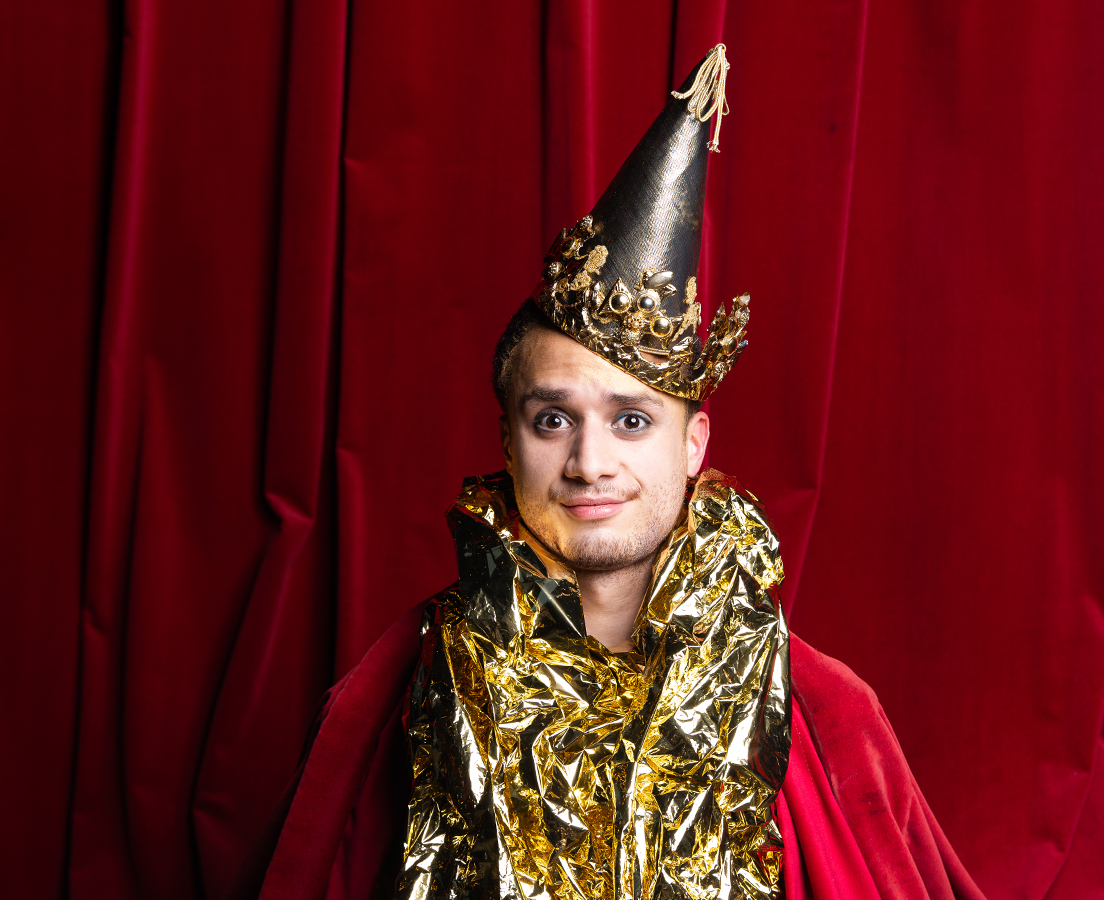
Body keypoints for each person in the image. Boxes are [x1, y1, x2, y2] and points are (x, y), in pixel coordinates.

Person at [242, 45, 986, 900]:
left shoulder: (827, 714)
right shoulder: (392, 694)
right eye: (553, 419)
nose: (589, 463)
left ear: (693, 445)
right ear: (509, 439)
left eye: (632, 421)